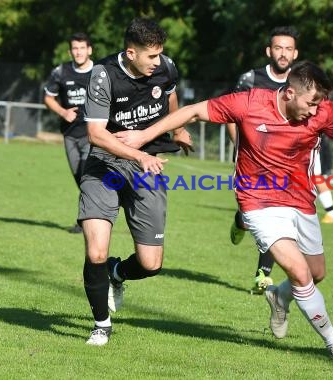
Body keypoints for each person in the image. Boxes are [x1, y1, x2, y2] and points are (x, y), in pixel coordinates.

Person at [119, 61, 333, 362]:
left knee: (315, 273)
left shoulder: (323, 111)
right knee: (299, 272)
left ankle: (278, 296)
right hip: (257, 201)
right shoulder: (250, 103)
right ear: (288, 93)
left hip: (300, 198)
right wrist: (142, 137)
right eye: (310, 103)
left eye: (318, 105)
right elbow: (193, 111)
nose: (314, 112)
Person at [78, 18, 192, 346]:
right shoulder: (102, 75)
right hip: (105, 165)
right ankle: (101, 325)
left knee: (151, 263)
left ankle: (118, 273)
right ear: (131, 53)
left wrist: (178, 129)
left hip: (148, 166)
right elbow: (95, 134)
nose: (158, 62)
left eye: (159, 55)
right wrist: (137, 155)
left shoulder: (165, 67)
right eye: (151, 57)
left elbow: (169, 98)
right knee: (96, 250)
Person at [226, 26, 333, 296]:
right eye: (278, 47)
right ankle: (240, 222)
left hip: (290, 165)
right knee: (255, 214)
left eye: (288, 48)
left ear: (295, 53)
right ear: (269, 50)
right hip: (253, 161)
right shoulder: (251, 79)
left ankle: (262, 275)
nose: (283, 53)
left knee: (278, 219)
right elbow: (232, 116)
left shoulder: (304, 82)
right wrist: (239, 151)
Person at [44, 32, 94, 233]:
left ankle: (86, 221)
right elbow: (48, 98)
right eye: (75, 48)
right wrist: (63, 112)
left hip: (92, 135)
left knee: (87, 176)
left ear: (89, 50)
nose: (78, 52)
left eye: (82, 48)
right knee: (80, 179)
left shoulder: (100, 72)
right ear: (70, 51)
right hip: (70, 135)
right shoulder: (61, 72)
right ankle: (90, 217)